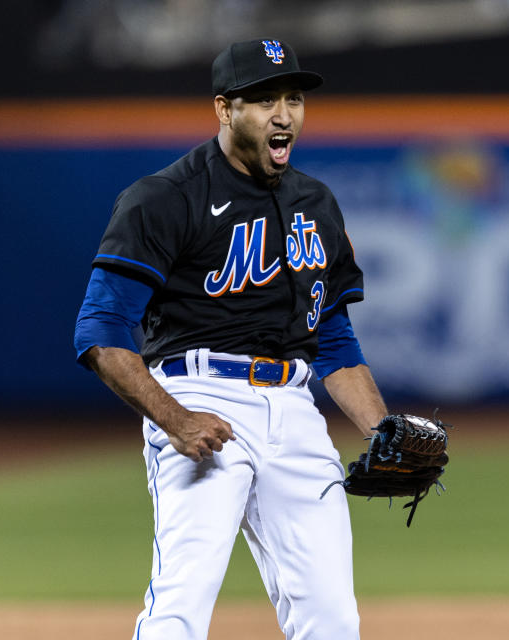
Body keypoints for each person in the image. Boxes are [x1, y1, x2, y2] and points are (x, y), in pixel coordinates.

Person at [73, 39, 388, 640]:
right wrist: (175, 418)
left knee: (332, 619)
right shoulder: (165, 198)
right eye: (264, 98)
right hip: (200, 396)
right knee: (181, 606)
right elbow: (100, 330)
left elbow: (332, 337)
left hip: (295, 411)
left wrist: (381, 428)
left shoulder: (316, 203)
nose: (284, 114)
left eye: (293, 98)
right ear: (224, 109)